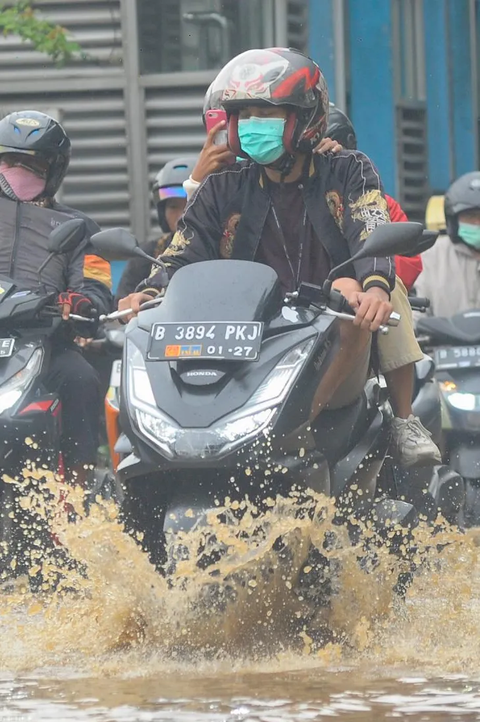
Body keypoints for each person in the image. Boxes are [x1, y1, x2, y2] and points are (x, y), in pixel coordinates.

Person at [118, 49, 407, 432]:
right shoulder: (220, 189)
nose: (255, 124)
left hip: (326, 351)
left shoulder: (348, 169)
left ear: (305, 117)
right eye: (246, 116)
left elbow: (369, 225)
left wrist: (375, 289)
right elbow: (181, 254)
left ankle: (306, 428)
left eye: (268, 114)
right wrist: (148, 293)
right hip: (239, 352)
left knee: (347, 286)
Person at [316, 104, 440, 466]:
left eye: (331, 146)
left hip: (355, 308)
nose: (324, 153)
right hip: (300, 304)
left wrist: (367, 286)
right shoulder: (271, 194)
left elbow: (401, 260)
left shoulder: (372, 200)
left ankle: (404, 418)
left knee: (390, 288)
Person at [0, 109, 113, 485]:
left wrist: (83, 303)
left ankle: (78, 496)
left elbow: (96, 285)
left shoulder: (80, 229)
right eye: (9, 160)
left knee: (82, 378)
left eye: (30, 164)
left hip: (45, 344)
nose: (17, 171)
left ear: (55, 169)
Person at [116, 156, 198, 302]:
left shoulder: (222, 250)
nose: (181, 215)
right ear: (162, 212)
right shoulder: (145, 255)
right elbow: (121, 310)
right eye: (173, 207)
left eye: (188, 204)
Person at [415, 172, 480, 317]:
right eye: (470, 216)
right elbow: (416, 312)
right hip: (442, 340)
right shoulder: (431, 256)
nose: (477, 223)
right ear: (454, 221)